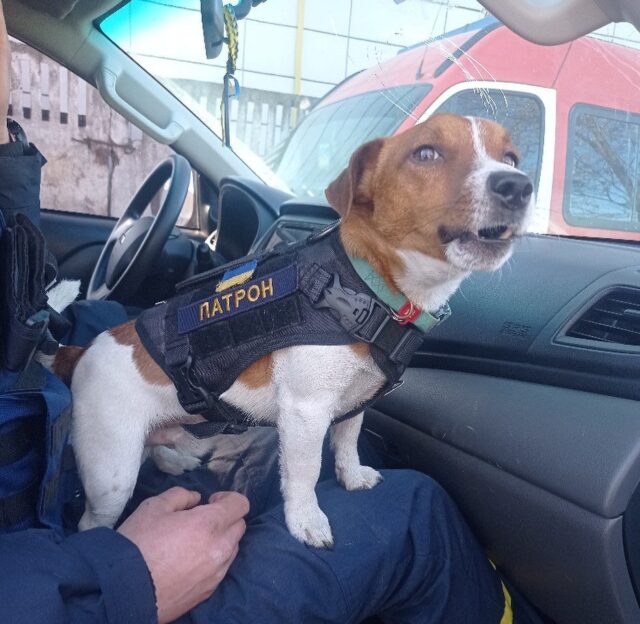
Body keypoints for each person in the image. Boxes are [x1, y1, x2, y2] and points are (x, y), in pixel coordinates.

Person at [0, 3, 542, 622]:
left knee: (359, 439)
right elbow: (307, 403)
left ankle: (279, 460)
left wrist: (348, 463)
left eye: (509, 160)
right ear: (363, 192)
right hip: (81, 545)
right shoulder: (333, 297)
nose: (505, 178)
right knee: (414, 505)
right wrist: (111, 576)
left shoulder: (370, 298)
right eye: (429, 154)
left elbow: (352, 391)